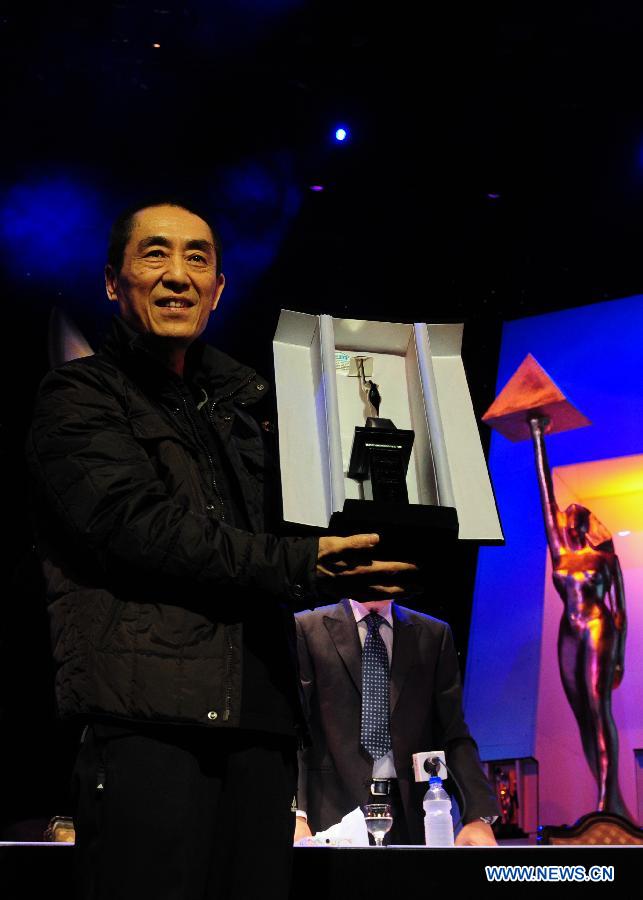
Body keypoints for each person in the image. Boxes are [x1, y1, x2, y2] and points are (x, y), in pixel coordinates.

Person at [25, 200, 418, 899]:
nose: (177, 275)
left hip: (259, 723)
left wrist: (400, 493)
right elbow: (137, 531)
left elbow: (297, 531)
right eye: (155, 254)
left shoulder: (254, 407)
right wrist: (302, 563)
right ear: (113, 283)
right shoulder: (78, 396)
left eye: (197, 258)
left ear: (218, 288)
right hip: (145, 722)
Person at [294, 594, 499, 846]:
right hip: (331, 810)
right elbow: (296, 730)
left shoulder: (433, 634)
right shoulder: (308, 628)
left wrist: (478, 816)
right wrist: (296, 813)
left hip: (411, 812)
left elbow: (453, 731)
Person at [528, 416, 630, 818]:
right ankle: (608, 799)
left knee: (597, 703)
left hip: (598, 628)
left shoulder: (604, 557)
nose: (568, 518)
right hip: (567, 634)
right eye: (565, 515)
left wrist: (618, 656)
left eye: (575, 515)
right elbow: (544, 490)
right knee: (582, 712)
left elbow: (619, 610)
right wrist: (538, 435)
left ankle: (608, 797)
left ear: (584, 521)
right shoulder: (561, 553)